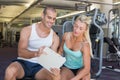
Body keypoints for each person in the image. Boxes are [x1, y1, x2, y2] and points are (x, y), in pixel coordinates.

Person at [4, 6, 60, 80]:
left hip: (40, 67)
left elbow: (52, 60)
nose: (51, 21)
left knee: (56, 77)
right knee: (10, 71)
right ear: (42, 15)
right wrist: (36, 54)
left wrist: (55, 68)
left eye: (54, 19)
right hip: (24, 62)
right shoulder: (27, 30)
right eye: (49, 17)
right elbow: (21, 52)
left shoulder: (55, 37)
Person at [58, 15, 92, 80]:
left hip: (80, 68)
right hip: (67, 67)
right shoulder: (66, 35)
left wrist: (74, 79)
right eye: (76, 26)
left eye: (81, 28)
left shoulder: (85, 45)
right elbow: (60, 51)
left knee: (86, 77)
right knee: (61, 77)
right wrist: (54, 64)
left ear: (85, 30)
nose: (76, 30)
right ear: (73, 24)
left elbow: (87, 68)